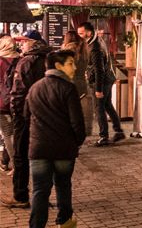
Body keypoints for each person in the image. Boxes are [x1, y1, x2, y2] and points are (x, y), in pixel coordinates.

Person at [26, 49, 86, 228]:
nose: (74, 68)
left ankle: (36, 225)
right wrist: (76, 142)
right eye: (70, 63)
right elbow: (77, 123)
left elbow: (24, 116)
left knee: (39, 191)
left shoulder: (34, 88)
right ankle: (65, 222)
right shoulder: (68, 88)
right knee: (63, 186)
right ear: (58, 66)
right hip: (63, 149)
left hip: (38, 148)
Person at [1, 30, 50, 208]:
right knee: (42, 157)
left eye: (25, 41)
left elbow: (18, 93)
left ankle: (20, 196)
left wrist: (16, 114)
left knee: (21, 155)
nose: (21, 44)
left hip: (25, 115)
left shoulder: (27, 62)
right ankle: (41, 196)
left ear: (33, 42)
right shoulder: (49, 59)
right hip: (45, 116)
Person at [78, 22, 124, 146]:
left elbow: (99, 69)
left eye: (81, 33)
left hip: (102, 81)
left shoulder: (95, 48)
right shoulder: (96, 41)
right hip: (108, 79)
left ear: (89, 32)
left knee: (99, 108)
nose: (79, 35)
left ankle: (104, 137)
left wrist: (98, 89)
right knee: (108, 105)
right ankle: (118, 131)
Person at [62, 31, 93, 137]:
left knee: (69, 112)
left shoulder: (68, 51)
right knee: (80, 111)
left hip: (70, 82)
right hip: (82, 83)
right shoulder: (84, 50)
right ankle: (84, 131)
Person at [0, 35, 20, 174]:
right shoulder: (20, 59)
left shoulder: (0, 61)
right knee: (16, 133)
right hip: (18, 100)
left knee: (7, 134)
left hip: (3, 103)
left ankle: (16, 165)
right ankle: (10, 161)